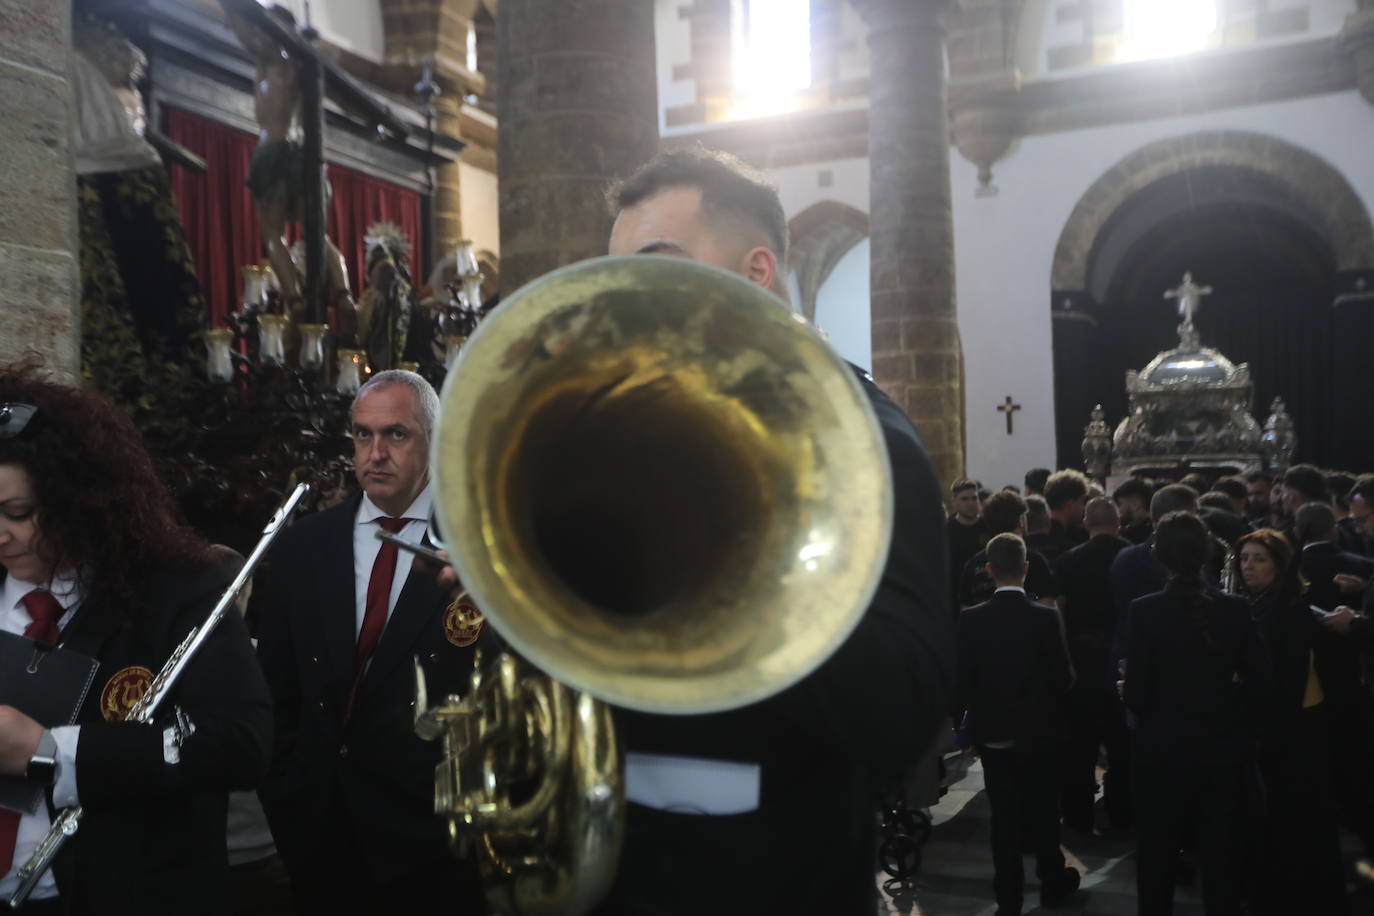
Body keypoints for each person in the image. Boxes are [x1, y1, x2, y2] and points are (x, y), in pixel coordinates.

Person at [598, 146, 954, 914]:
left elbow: (901, 708)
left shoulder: (865, 437)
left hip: (770, 878)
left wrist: (727, 553)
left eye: (658, 263)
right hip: (607, 868)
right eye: (616, 271)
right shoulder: (626, 435)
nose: (625, 296)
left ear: (757, 272)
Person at [0, 364, 272, 913]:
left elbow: (240, 743)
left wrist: (54, 753)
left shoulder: (176, 590)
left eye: (19, 513)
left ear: (80, 499)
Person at [253, 370, 486, 914]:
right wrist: (289, 806)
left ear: (434, 439)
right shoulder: (302, 548)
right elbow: (275, 692)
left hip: (436, 846)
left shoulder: (479, 547)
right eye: (362, 435)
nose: (375, 453)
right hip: (320, 839)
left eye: (396, 435)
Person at [1123, 512, 1270, 916]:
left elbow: (1136, 695)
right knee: (1221, 861)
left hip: (1161, 752)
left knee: (1157, 859)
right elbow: (1262, 682)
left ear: (1159, 555)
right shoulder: (1236, 609)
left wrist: (1132, 692)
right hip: (1221, 751)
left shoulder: (1145, 611)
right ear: (1207, 553)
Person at [957, 533, 1079, 916]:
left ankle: (1007, 896)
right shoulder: (1045, 617)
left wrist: (971, 730)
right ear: (1026, 570)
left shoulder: (971, 619)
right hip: (1039, 732)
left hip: (994, 734)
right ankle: (1052, 880)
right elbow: (1063, 679)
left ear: (989, 570)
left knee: (1004, 819)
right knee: (1043, 811)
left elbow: (963, 683)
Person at [1229, 529, 1347, 915]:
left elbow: (1286, 682)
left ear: (1279, 565)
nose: (1249, 566)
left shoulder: (1288, 609)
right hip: (1280, 725)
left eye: (1259, 559)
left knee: (1296, 819)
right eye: (1244, 558)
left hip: (1294, 729)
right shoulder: (1261, 603)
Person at [1051, 497, 1132, 834]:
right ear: (1118, 523)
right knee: (1123, 748)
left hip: (1081, 663)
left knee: (1078, 749)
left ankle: (1078, 817)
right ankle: (1123, 814)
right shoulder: (1134, 557)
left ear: (1085, 523)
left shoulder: (1069, 560)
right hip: (1123, 663)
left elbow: (1059, 612)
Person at [959, 489, 1060, 608]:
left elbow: (965, 610)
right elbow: (1048, 608)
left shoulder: (973, 564)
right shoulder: (1036, 561)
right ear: (1021, 520)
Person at [946, 478, 989, 611]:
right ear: (955, 501)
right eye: (964, 499)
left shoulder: (989, 527)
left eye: (974, 498)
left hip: (986, 594)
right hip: (956, 598)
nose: (970, 503)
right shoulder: (946, 531)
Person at [1040, 470, 1090, 560]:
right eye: (1082, 502)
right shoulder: (1070, 543)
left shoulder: (1040, 533)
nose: (1084, 508)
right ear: (1069, 504)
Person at [1113, 477, 1155, 545]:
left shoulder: (1127, 535)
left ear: (1135, 504)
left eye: (1120, 504)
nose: (1118, 510)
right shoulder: (1160, 530)